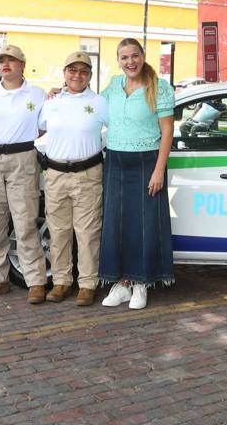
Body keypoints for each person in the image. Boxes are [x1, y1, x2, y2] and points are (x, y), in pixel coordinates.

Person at [0, 45, 49, 302]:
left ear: (22, 65)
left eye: (11, 60)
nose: (5, 64)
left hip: (23, 160)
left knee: (25, 222)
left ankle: (35, 281)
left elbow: (44, 127)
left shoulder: (38, 95)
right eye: (1, 60)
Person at [100, 38, 175, 310]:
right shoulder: (113, 86)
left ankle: (141, 284)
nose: (130, 61)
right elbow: (91, 108)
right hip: (115, 161)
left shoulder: (159, 87)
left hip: (147, 162)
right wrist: (60, 93)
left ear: (143, 56)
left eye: (134, 56)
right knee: (117, 224)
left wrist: (158, 171)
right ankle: (121, 284)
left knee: (144, 225)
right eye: (124, 57)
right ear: (118, 60)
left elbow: (167, 131)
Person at [37, 51, 108, 306]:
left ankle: (87, 284)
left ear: (90, 75)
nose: (77, 75)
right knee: (58, 232)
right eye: (72, 70)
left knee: (88, 232)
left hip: (87, 174)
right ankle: (61, 282)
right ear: (64, 73)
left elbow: (115, 130)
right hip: (55, 174)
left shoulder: (100, 102)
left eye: (83, 71)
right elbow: (38, 129)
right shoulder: (51, 101)